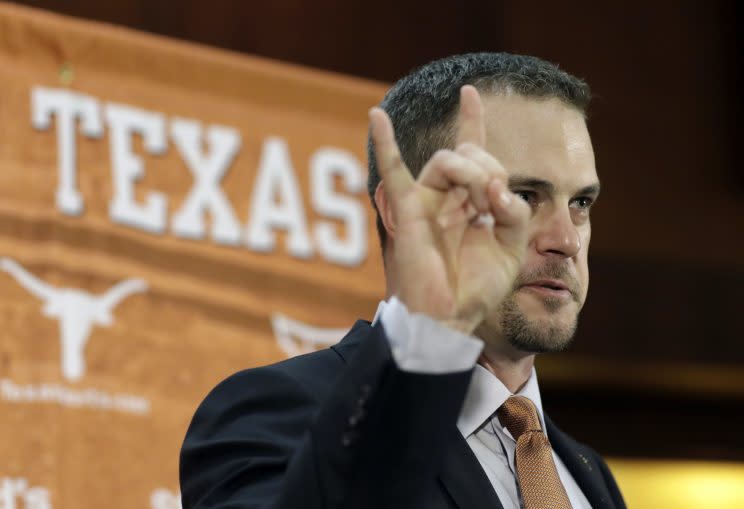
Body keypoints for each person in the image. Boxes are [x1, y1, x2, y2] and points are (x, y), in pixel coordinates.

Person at [179, 52, 627, 509]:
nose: (567, 239)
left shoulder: (589, 475)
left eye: (582, 202)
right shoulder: (275, 414)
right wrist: (431, 333)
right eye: (524, 195)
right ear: (399, 210)